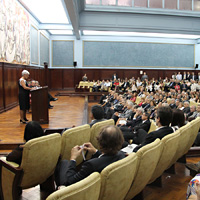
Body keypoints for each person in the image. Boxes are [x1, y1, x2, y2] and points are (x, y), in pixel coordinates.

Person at [54, 125, 125, 187]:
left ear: (100, 143)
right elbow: (107, 158)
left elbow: (70, 181)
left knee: (64, 163)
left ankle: (59, 189)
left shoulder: (91, 164)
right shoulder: (121, 155)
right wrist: (95, 151)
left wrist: (73, 158)